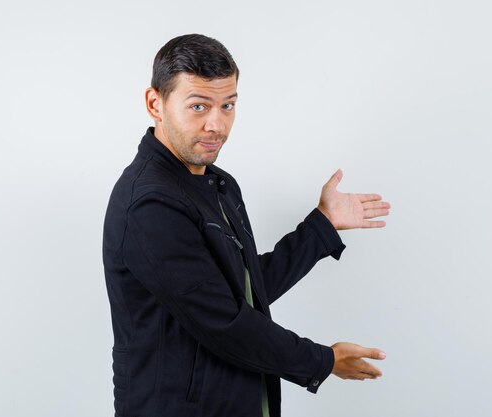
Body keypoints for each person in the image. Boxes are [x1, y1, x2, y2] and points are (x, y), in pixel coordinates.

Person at [103, 33, 391, 417]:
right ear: (156, 104)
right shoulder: (150, 204)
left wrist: (322, 226)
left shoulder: (217, 184)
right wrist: (323, 361)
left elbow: (244, 291)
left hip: (234, 400)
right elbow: (225, 324)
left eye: (228, 105)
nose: (216, 125)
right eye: (199, 106)